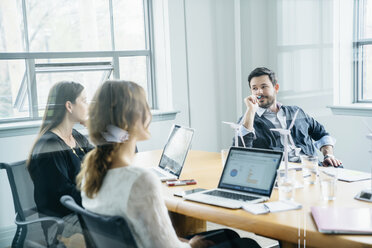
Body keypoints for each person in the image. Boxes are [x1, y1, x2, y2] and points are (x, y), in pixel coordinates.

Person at [77, 80, 261, 248]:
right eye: (145, 107)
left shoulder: (90, 173)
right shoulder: (139, 180)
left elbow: (146, 235)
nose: (148, 112)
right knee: (247, 244)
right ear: (132, 119)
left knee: (227, 235)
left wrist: (181, 240)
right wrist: (192, 245)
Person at [234, 67, 342, 167]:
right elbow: (240, 153)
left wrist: (329, 155)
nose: (259, 92)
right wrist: (251, 110)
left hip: (312, 170)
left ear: (276, 88)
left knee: (339, 170)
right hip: (280, 175)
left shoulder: (297, 112)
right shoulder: (249, 119)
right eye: (255, 88)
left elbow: (322, 134)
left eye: (264, 86)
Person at [28, 81, 93, 243]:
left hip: (83, 210)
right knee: (120, 228)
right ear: (69, 106)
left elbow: (102, 162)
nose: (88, 106)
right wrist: (101, 195)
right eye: (84, 101)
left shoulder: (75, 136)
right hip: (63, 224)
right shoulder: (49, 146)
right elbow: (66, 197)